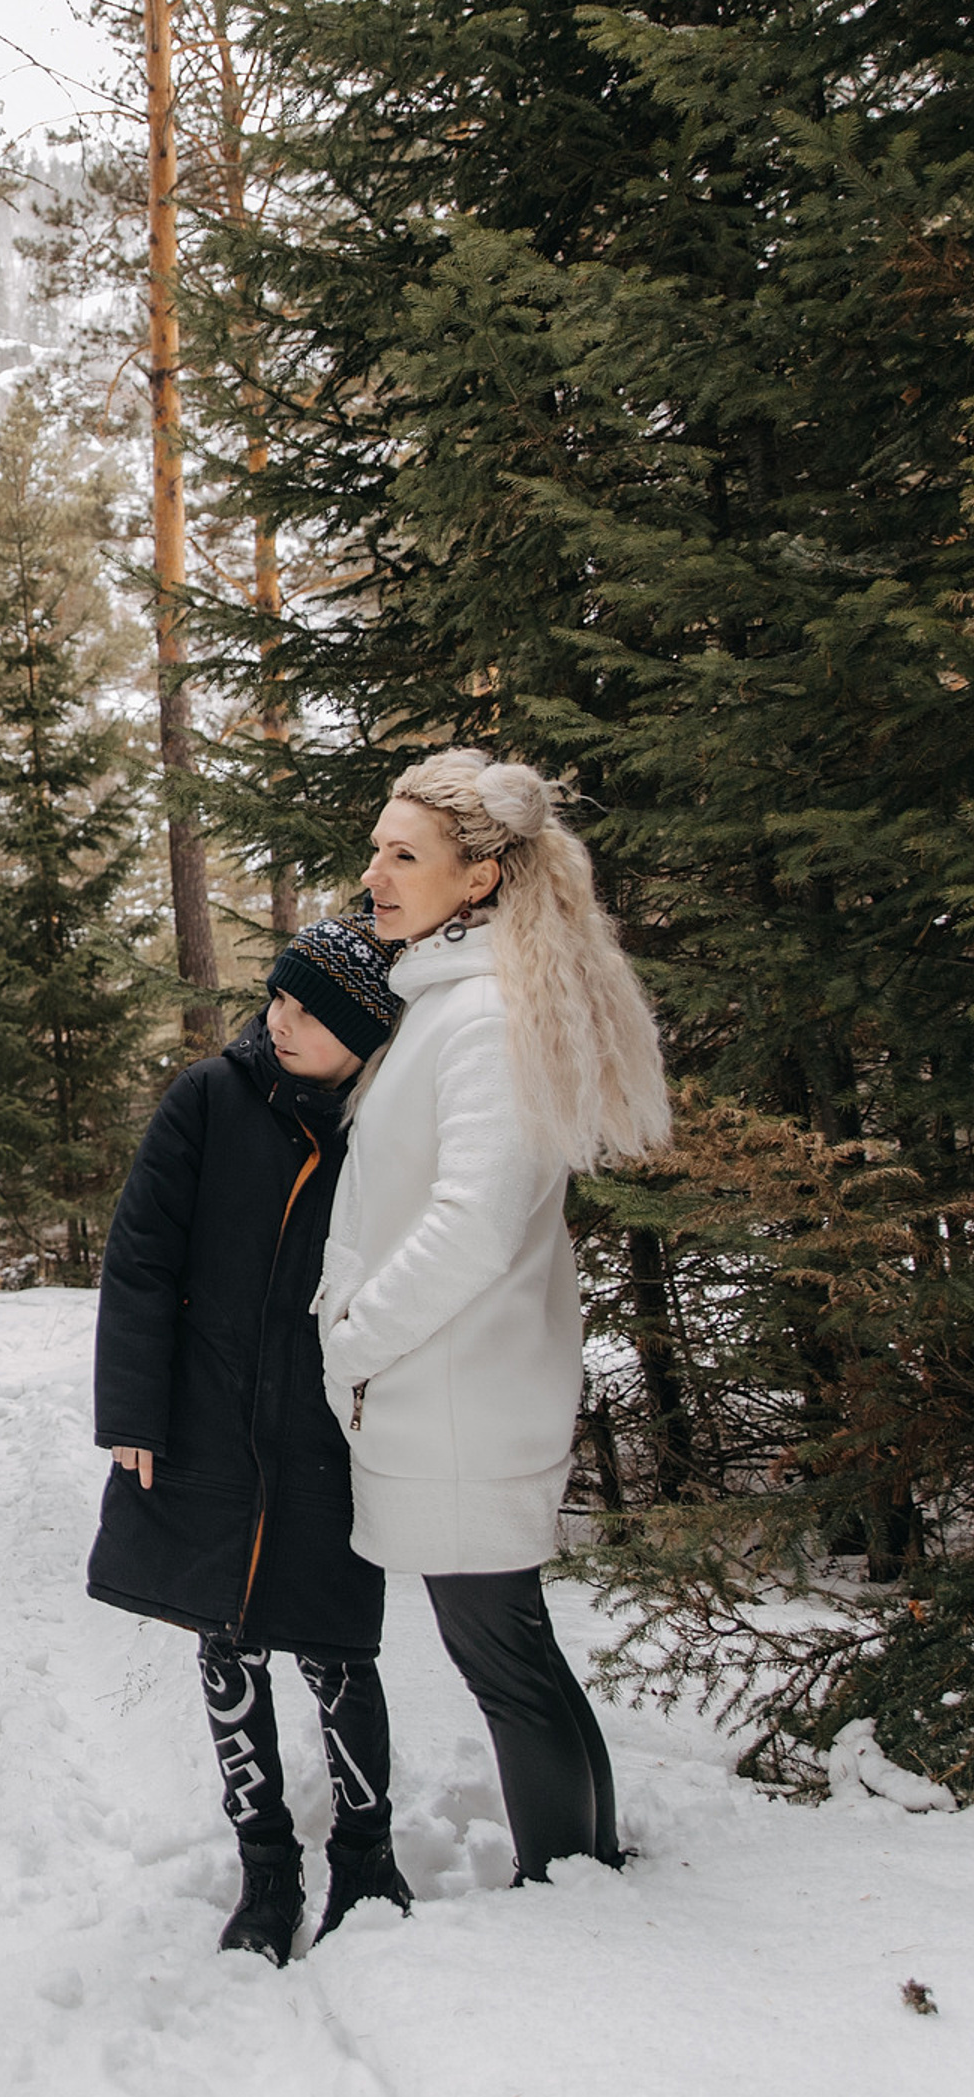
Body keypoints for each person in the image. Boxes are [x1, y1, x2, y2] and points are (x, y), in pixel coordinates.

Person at [318, 748, 670, 1885]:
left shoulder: (479, 1017)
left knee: (502, 1655)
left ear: (477, 879)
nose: (374, 870)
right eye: (376, 847)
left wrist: (353, 1336)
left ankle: (570, 1882)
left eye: (403, 853)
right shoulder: (446, 1000)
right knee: (512, 1647)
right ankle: (586, 1864)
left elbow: (473, 1221)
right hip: (448, 1383)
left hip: (456, 1389)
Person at [92, 914, 416, 1966]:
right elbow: (139, 1257)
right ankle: (266, 1864)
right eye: (276, 996)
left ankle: (366, 1854)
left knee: (337, 1644)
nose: (279, 1019)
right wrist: (134, 1410)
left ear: (364, 1036)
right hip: (207, 1420)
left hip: (327, 1433)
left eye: (309, 1013)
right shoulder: (208, 1098)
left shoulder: (385, 1125)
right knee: (224, 1640)